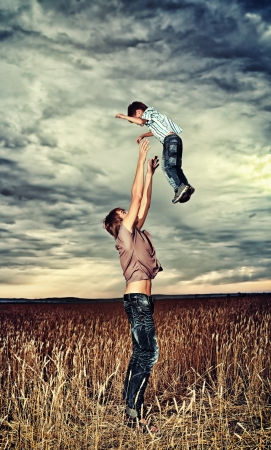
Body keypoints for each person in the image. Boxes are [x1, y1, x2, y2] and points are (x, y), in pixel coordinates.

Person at [103, 140, 162, 433]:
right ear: (118, 221)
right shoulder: (124, 236)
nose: (130, 212)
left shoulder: (135, 233)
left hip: (141, 301)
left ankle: (130, 405)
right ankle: (133, 413)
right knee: (149, 354)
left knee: (140, 353)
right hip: (137, 300)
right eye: (124, 212)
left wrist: (150, 174)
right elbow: (137, 197)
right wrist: (139, 160)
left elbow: (144, 202)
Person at [115, 101, 195, 204]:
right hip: (175, 140)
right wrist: (143, 135)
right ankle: (185, 186)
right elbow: (154, 130)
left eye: (134, 121)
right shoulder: (154, 117)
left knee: (167, 167)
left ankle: (180, 187)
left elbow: (140, 121)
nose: (137, 124)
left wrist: (124, 117)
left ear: (139, 112)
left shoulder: (148, 113)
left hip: (169, 140)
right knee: (175, 166)